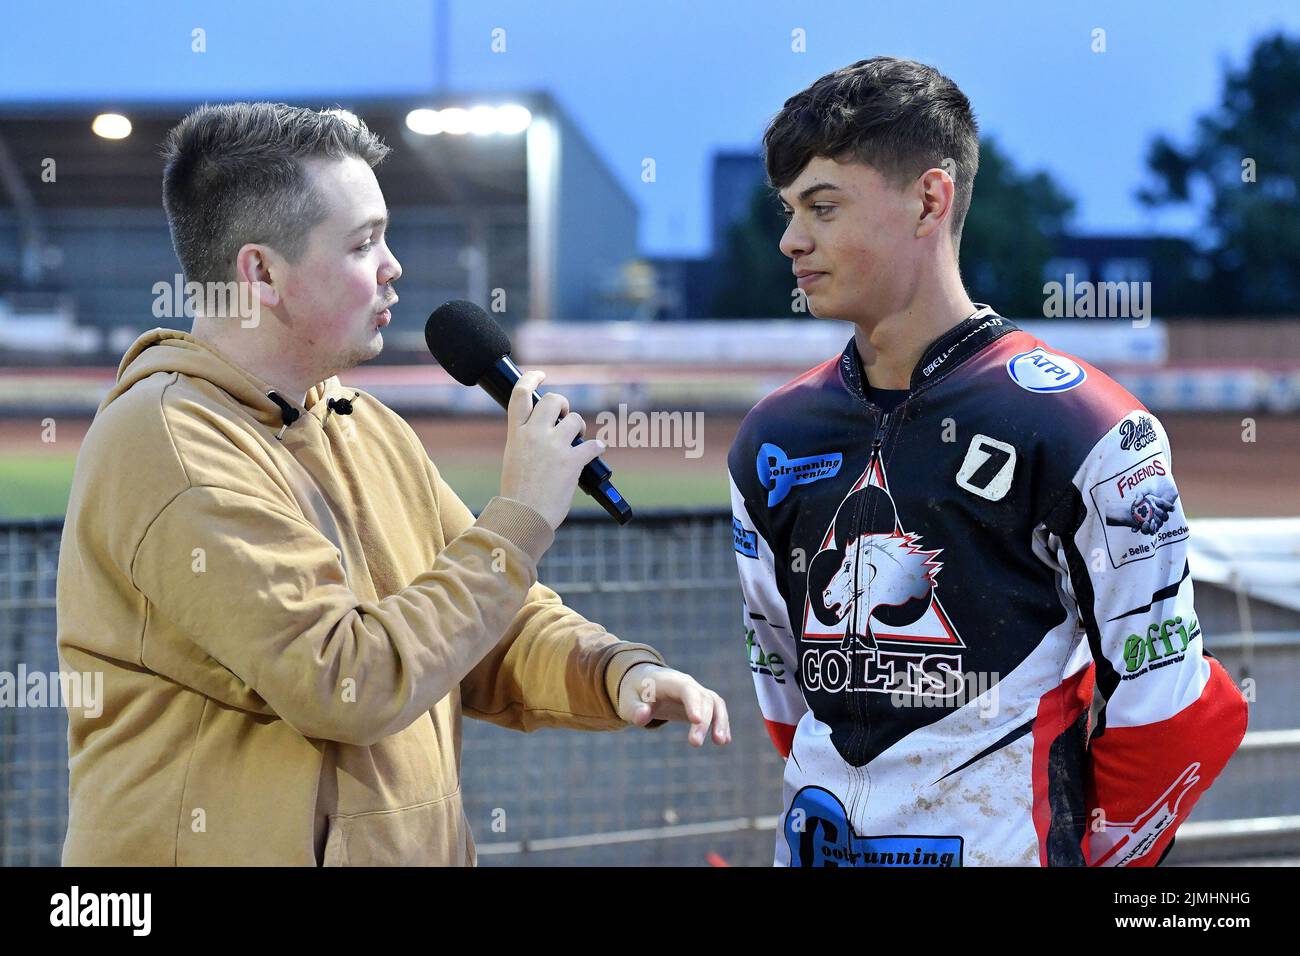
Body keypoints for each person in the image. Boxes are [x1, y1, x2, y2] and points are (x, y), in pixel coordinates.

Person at [56, 102, 729, 866]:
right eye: (363, 242)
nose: (393, 266)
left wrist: (615, 672)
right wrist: (518, 519)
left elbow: (480, 621)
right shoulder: (168, 443)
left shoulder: (360, 421)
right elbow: (347, 678)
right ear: (262, 274)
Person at [727, 58, 1248, 867]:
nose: (792, 239)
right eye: (789, 210)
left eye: (823, 207)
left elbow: (1166, 710)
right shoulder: (772, 437)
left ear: (929, 201)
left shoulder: (1088, 426)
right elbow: (788, 695)